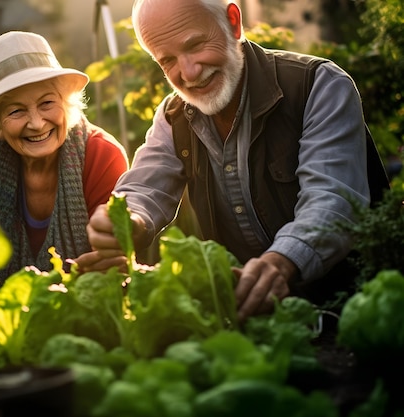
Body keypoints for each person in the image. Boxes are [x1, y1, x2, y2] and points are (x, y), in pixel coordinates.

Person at [75, 0, 389, 322]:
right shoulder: (173, 117)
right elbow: (143, 188)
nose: (189, 72)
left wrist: (280, 263)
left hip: (355, 314)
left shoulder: (317, 85)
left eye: (196, 45)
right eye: (167, 60)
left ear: (234, 23)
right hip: (248, 323)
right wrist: (127, 221)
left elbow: (333, 201)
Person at [0, 31, 129, 282]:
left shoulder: (103, 155)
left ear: (66, 101)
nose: (36, 124)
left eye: (46, 103)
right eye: (16, 111)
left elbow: (110, 267)